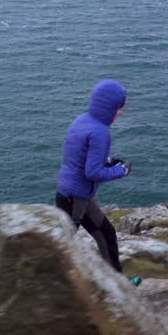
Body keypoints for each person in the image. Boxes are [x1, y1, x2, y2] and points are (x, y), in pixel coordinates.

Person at [54, 79, 140, 285]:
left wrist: (108, 161)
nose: (121, 112)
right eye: (119, 107)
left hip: (68, 194)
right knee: (63, 248)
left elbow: (79, 155)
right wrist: (121, 170)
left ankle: (117, 285)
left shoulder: (82, 120)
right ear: (108, 106)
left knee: (105, 234)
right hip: (76, 200)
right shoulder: (101, 132)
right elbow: (93, 172)